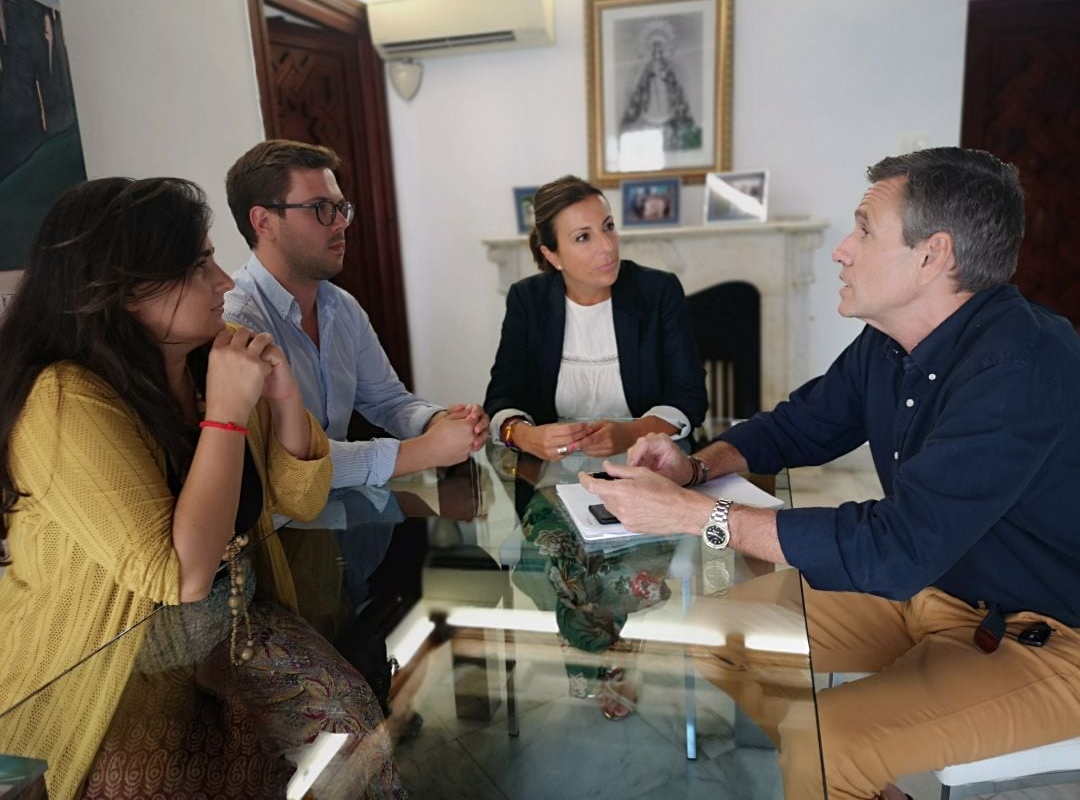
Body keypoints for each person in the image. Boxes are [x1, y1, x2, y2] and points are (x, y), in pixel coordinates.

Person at [581, 147, 1080, 799]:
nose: (843, 249)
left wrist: (695, 516)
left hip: (1045, 633)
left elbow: (896, 547)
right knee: (712, 632)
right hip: (936, 591)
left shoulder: (1020, 369)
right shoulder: (891, 341)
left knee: (827, 744)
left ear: (933, 256)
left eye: (865, 229)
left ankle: (830, 758)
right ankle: (850, 774)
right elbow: (798, 425)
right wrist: (698, 465)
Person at [0, 178, 401, 798]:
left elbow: (301, 496)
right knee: (161, 779)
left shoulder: (206, 361)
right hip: (109, 658)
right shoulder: (63, 399)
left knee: (352, 725)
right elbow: (178, 576)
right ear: (123, 290)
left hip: (233, 624)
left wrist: (285, 392)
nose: (225, 281)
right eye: (197, 265)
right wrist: (226, 417)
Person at [224, 139, 488, 489]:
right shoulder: (237, 321)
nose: (340, 225)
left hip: (341, 513)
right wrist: (423, 451)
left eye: (340, 208)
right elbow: (286, 462)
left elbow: (387, 400)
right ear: (264, 222)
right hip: (276, 532)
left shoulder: (341, 306)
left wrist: (437, 421)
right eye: (320, 208)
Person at [484, 174, 707, 462]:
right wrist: (526, 436)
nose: (607, 246)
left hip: (646, 462)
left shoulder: (657, 291)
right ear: (553, 256)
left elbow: (690, 396)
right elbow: (501, 396)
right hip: (550, 472)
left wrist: (631, 433)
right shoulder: (527, 300)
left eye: (608, 227)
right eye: (583, 237)